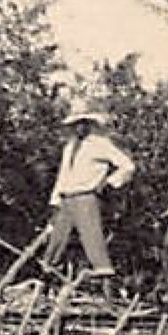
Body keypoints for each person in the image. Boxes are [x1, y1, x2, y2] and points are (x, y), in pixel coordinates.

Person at [42, 102, 136, 279]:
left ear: (90, 124)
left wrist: (109, 184)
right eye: (76, 124)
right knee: (55, 240)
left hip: (86, 197)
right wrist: (55, 202)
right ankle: (47, 275)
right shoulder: (69, 147)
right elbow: (63, 175)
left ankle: (104, 274)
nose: (80, 127)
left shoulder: (100, 144)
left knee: (93, 239)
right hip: (66, 198)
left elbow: (127, 166)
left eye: (83, 122)